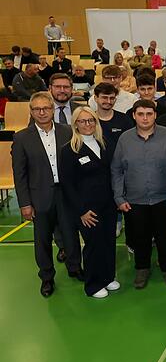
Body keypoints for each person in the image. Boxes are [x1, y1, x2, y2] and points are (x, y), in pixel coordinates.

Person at [12, 92, 82, 297]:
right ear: (31, 111)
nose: (42, 112)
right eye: (37, 109)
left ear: (53, 109)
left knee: (70, 235)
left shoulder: (67, 131)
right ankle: (47, 277)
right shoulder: (21, 138)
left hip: (66, 195)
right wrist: (24, 203)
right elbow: (19, 173)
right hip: (39, 197)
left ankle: (74, 267)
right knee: (42, 240)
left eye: (46, 108)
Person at [111, 99, 166, 289]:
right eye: (140, 114)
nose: (145, 118)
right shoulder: (124, 139)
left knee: (165, 237)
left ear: (155, 115)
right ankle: (142, 268)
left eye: (149, 114)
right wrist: (119, 197)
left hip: (165, 198)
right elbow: (116, 169)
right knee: (140, 238)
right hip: (134, 201)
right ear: (134, 116)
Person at [58, 107, 119, 299]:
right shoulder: (69, 150)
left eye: (91, 120)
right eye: (83, 121)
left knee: (108, 242)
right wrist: (81, 211)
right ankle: (93, 284)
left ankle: (108, 277)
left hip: (108, 204)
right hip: (88, 209)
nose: (88, 124)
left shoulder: (104, 143)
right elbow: (67, 184)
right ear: (75, 124)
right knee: (93, 245)